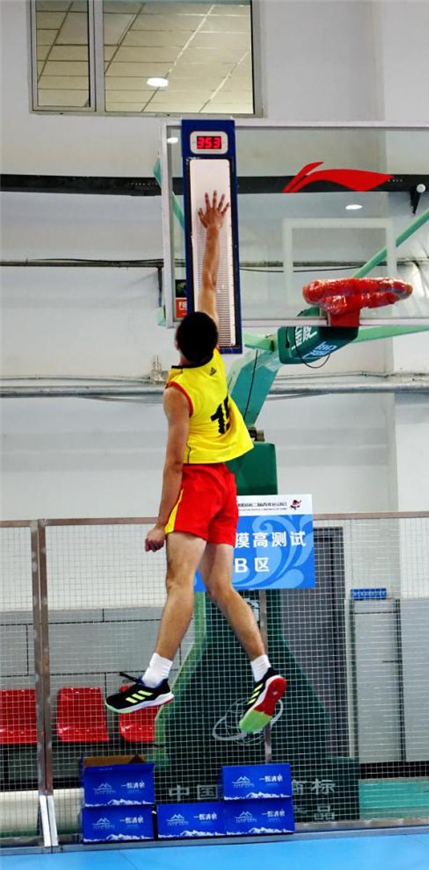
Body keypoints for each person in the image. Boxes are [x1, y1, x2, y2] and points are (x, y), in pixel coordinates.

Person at [106, 191, 287, 734]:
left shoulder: (179, 390)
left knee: (178, 582)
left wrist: (162, 521)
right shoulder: (214, 363)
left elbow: (173, 463)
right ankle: (264, 670)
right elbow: (209, 283)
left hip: (200, 485)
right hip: (230, 485)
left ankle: (156, 678)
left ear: (179, 342)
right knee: (223, 587)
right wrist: (213, 232)